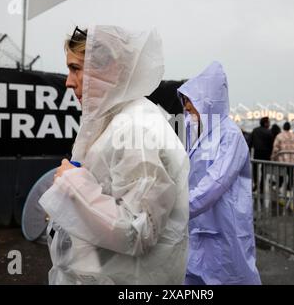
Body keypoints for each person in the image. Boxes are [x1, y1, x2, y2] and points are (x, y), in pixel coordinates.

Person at [39, 25, 190, 284]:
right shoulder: (113, 120)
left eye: (76, 68)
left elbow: (137, 230)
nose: (68, 81)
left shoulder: (135, 128)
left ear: (106, 70)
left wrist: (72, 185)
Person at [177, 61, 261, 285]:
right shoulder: (196, 132)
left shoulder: (230, 135)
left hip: (224, 228)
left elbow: (216, 182)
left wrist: (176, 209)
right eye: (184, 100)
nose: (185, 107)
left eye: (190, 100)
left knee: (229, 277)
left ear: (207, 100)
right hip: (198, 228)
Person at [271, 122, 294, 191]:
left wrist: (273, 157)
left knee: (281, 174)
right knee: (291, 174)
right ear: (289, 127)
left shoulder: (279, 136)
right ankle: (289, 188)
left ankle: (278, 187)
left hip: (282, 159)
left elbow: (275, 148)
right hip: (293, 159)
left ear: (283, 127)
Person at [249, 117, 273, 191]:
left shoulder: (255, 130)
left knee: (255, 169)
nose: (269, 124)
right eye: (268, 122)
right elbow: (271, 144)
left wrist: (249, 153)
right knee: (264, 170)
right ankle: (262, 186)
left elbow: (250, 142)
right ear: (265, 123)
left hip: (257, 153)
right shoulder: (269, 132)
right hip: (266, 154)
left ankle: (256, 183)